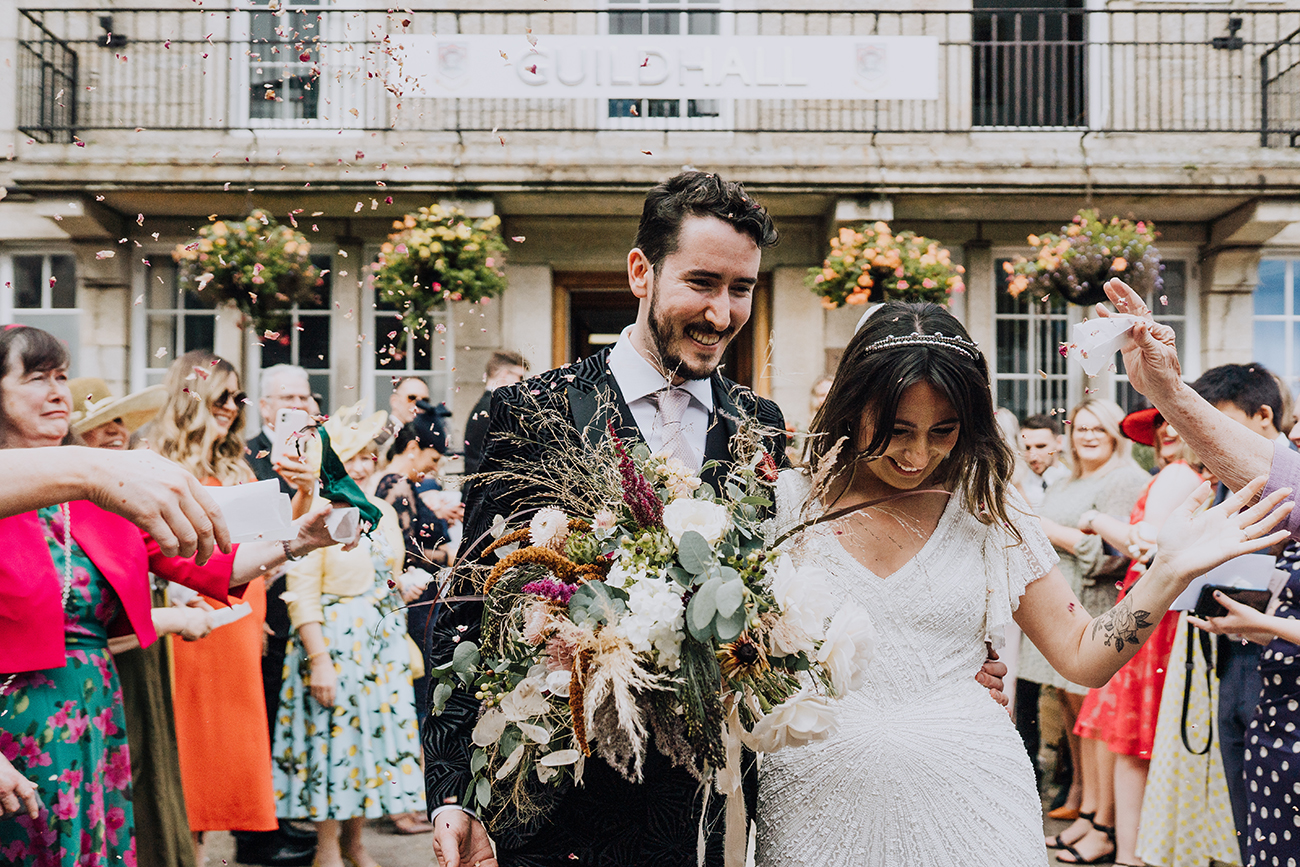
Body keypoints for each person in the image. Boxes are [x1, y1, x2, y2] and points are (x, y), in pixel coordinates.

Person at [426, 173, 1007, 867]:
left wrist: (945, 670)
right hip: (552, 808)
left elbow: (806, 588)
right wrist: (454, 793)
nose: (722, 312)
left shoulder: (759, 426)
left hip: (706, 812)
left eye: (741, 289)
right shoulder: (530, 411)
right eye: (701, 283)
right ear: (641, 272)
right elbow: (471, 605)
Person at [753, 301, 1292, 867]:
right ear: (851, 406)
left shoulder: (989, 509)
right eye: (895, 430)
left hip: (975, 802)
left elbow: (1082, 655)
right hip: (814, 805)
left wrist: (1170, 569)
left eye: (943, 431)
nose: (917, 455)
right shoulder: (781, 505)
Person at [0, 327, 339, 866]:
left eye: (62, 376)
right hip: (14, 716)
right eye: (37, 378)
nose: (59, 392)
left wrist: (297, 540)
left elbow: (207, 562)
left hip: (97, 704)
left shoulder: (100, 494)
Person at [149, 350, 309, 867]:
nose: (231, 407)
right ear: (192, 396)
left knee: (230, 756)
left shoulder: (236, 462)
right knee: (189, 759)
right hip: (188, 620)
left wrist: (305, 493)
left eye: (238, 397)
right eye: (222, 395)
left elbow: (269, 542)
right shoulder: (158, 463)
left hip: (241, 615)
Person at [271, 408, 426, 866]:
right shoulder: (317, 510)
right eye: (351, 457)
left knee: (365, 749)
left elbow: (386, 571)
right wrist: (319, 660)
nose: (360, 466)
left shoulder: (381, 511)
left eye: (366, 456)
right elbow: (300, 591)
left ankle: (355, 845)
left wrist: (401, 585)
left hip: (379, 647)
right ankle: (326, 851)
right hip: (334, 645)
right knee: (329, 744)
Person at [69, 377, 213, 867]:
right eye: (99, 424)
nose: (116, 432)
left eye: (120, 422)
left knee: (150, 776)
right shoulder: (59, 508)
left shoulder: (126, 503)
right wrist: (169, 619)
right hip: (93, 674)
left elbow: (201, 564)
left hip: (139, 662)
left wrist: (293, 541)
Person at [1069, 407, 1204, 866]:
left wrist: (1093, 519)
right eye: (1160, 423)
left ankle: (1128, 852)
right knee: (1134, 739)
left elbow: (1145, 542)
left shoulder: (1179, 474)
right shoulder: (1179, 474)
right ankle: (1126, 847)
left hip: (1154, 612)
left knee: (1134, 739)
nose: (1167, 430)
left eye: (1176, 421)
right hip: (1148, 606)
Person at [1015, 399, 1148, 863]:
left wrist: (1049, 529)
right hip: (1059, 601)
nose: (1088, 436)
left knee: (1096, 722)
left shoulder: (1125, 479)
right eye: (1081, 428)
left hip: (1094, 604)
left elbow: (1114, 554)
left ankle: (1101, 821)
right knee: (1075, 720)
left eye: (1098, 428)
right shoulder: (1068, 479)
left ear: (1114, 434)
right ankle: (1086, 809)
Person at [239, 363, 322, 864]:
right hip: (261, 600)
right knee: (262, 709)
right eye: (287, 397)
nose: (298, 405)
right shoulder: (247, 455)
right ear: (265, 405)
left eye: (305, 396)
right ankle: (257, 831)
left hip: (307, 598)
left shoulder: (317, 452)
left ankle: (280, 811)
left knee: (291, 710)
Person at [463, 351, 529, 475]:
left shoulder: (487, 404)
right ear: (504, 374)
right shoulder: (497, 407)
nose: (522, 384)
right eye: (520, 377)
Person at [1019, 413, 1069, 509]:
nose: (1033, 456)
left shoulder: (1073, 481)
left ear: (1059, 443)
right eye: (1027, 448)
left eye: (1041, 446)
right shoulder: (1017, 485)